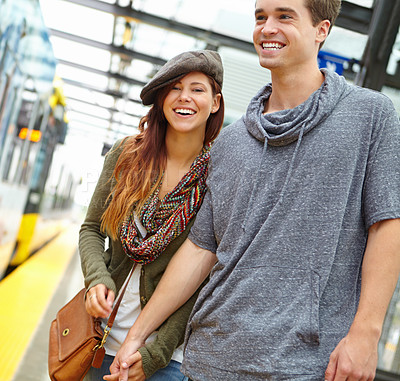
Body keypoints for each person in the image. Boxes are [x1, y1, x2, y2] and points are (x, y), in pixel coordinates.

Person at [106, 1, 400, 380]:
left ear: (321, 30)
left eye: (284, 16)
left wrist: (366, 333)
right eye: (261, 17)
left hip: (308, 366)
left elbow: (387, 224)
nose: (267, 27)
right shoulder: (230, 142)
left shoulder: (370, 116)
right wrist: (138, 333)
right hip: (209, 360)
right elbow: (201, 248)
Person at [79, 49, 224, 381]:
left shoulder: (219, 176)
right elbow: (90, 229)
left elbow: (206, 274)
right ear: (161, 98)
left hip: (163, 359)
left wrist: (155, 354)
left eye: (197, 89)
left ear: (215, 102)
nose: (184, 97)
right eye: (174, 87)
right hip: (96, 339)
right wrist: (95, 281)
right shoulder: (127, 153)